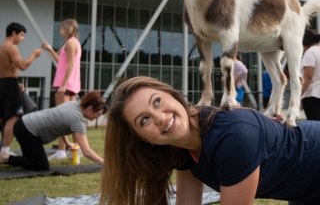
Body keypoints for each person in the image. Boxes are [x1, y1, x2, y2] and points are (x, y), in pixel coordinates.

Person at [100, 76, 320, 205]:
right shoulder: (182, 148)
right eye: (144, 119)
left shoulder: (233, 137)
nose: (159, 118)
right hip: (304, 190)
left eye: (157, 102)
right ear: (143, 139)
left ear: (173, 95)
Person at [0, 91, 106, 170]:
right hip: (27, 130)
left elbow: (60, 123)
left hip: (23, 124)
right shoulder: (77, 119)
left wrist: (67, 143)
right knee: (41, 166)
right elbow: (86, 151)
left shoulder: (74, 105)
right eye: (98, 114)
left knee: (31, 160)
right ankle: (5, 157)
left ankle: (9, 158)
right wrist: (104, 163)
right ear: (90, 109)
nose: (97, 117)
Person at [42, 19, 81, 160]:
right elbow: (61, 62)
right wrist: (50, 49)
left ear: (68, 29)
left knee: (61, 119)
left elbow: (70, 65)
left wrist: (63, 85)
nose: (60, 31)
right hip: (72, 85)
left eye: (62, 29)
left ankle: (61, 151)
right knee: (71, 120)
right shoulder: (73, 43)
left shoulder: (70, 43)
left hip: (65, 84)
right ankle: (75, 148)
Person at [0, 22, 42, 154]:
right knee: (14, 117)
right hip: (9, 85)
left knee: (1, 116)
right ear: (14, 33)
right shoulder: (11, 48)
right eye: (22, 35)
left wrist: (14, 80)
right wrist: (34, 55)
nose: (23, 38)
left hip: (3, 82)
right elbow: (23, 66)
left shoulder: (1, 47)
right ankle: (5, 151)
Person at [300, 29, 320, 120]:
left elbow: (308, 76)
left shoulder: (310, 52)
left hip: (312, 95)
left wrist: (298, 96)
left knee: (315, 125)